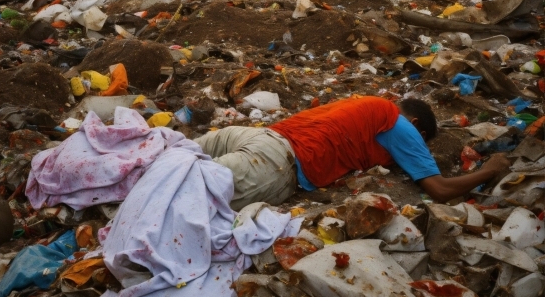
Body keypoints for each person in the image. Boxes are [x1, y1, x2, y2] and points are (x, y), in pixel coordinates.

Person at [194, 96, 510, 210]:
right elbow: (439, 190)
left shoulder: (361, 105)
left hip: (256, 136)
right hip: (275, 163)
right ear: (416, 126)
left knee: (172, 159)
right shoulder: (402, 126)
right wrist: (491, 168)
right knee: (185, 193)